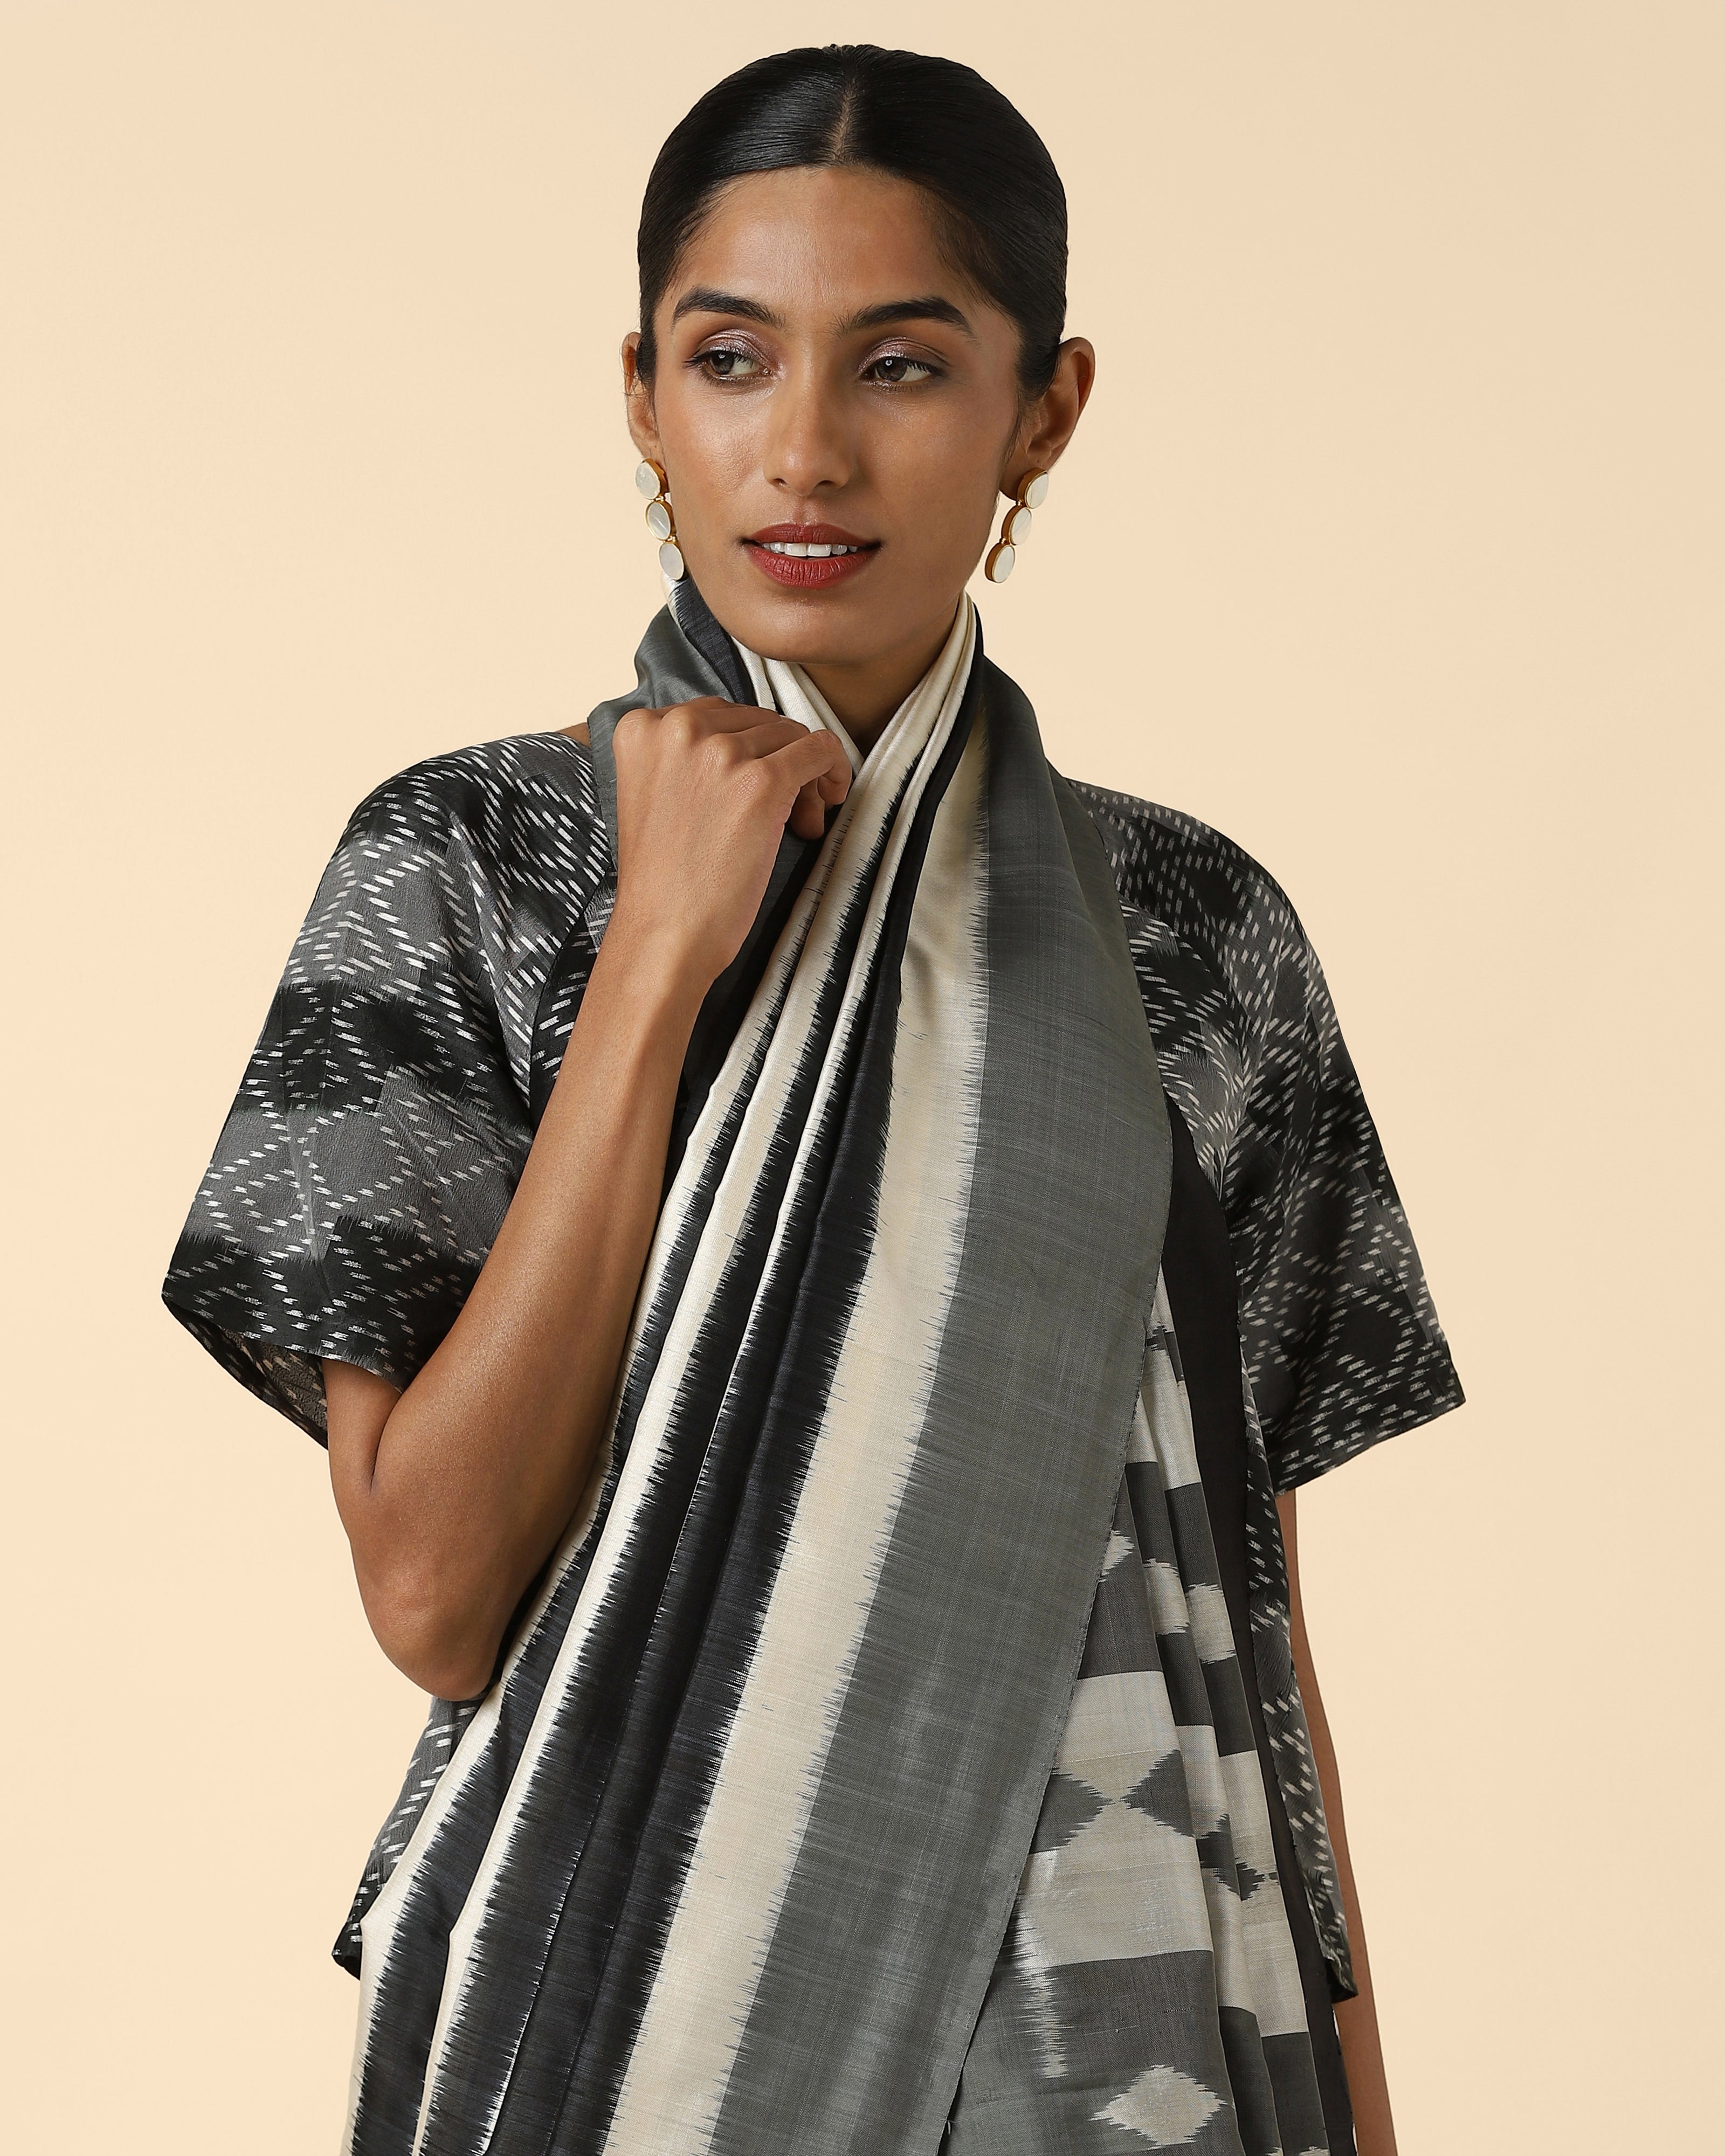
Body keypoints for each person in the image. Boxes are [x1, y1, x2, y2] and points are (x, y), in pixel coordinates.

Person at [164, 44, 1460, 2156]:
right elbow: (435, 1593)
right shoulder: (473, 866)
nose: (804, 449)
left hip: (1135, 2029)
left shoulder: (1195, 929)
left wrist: (1357, 2107)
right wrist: (657, 960)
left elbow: (1249, 1624)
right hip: (619, 2026)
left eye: (903, 367)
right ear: (640, 394)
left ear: (1044, 411)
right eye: (732, 357)